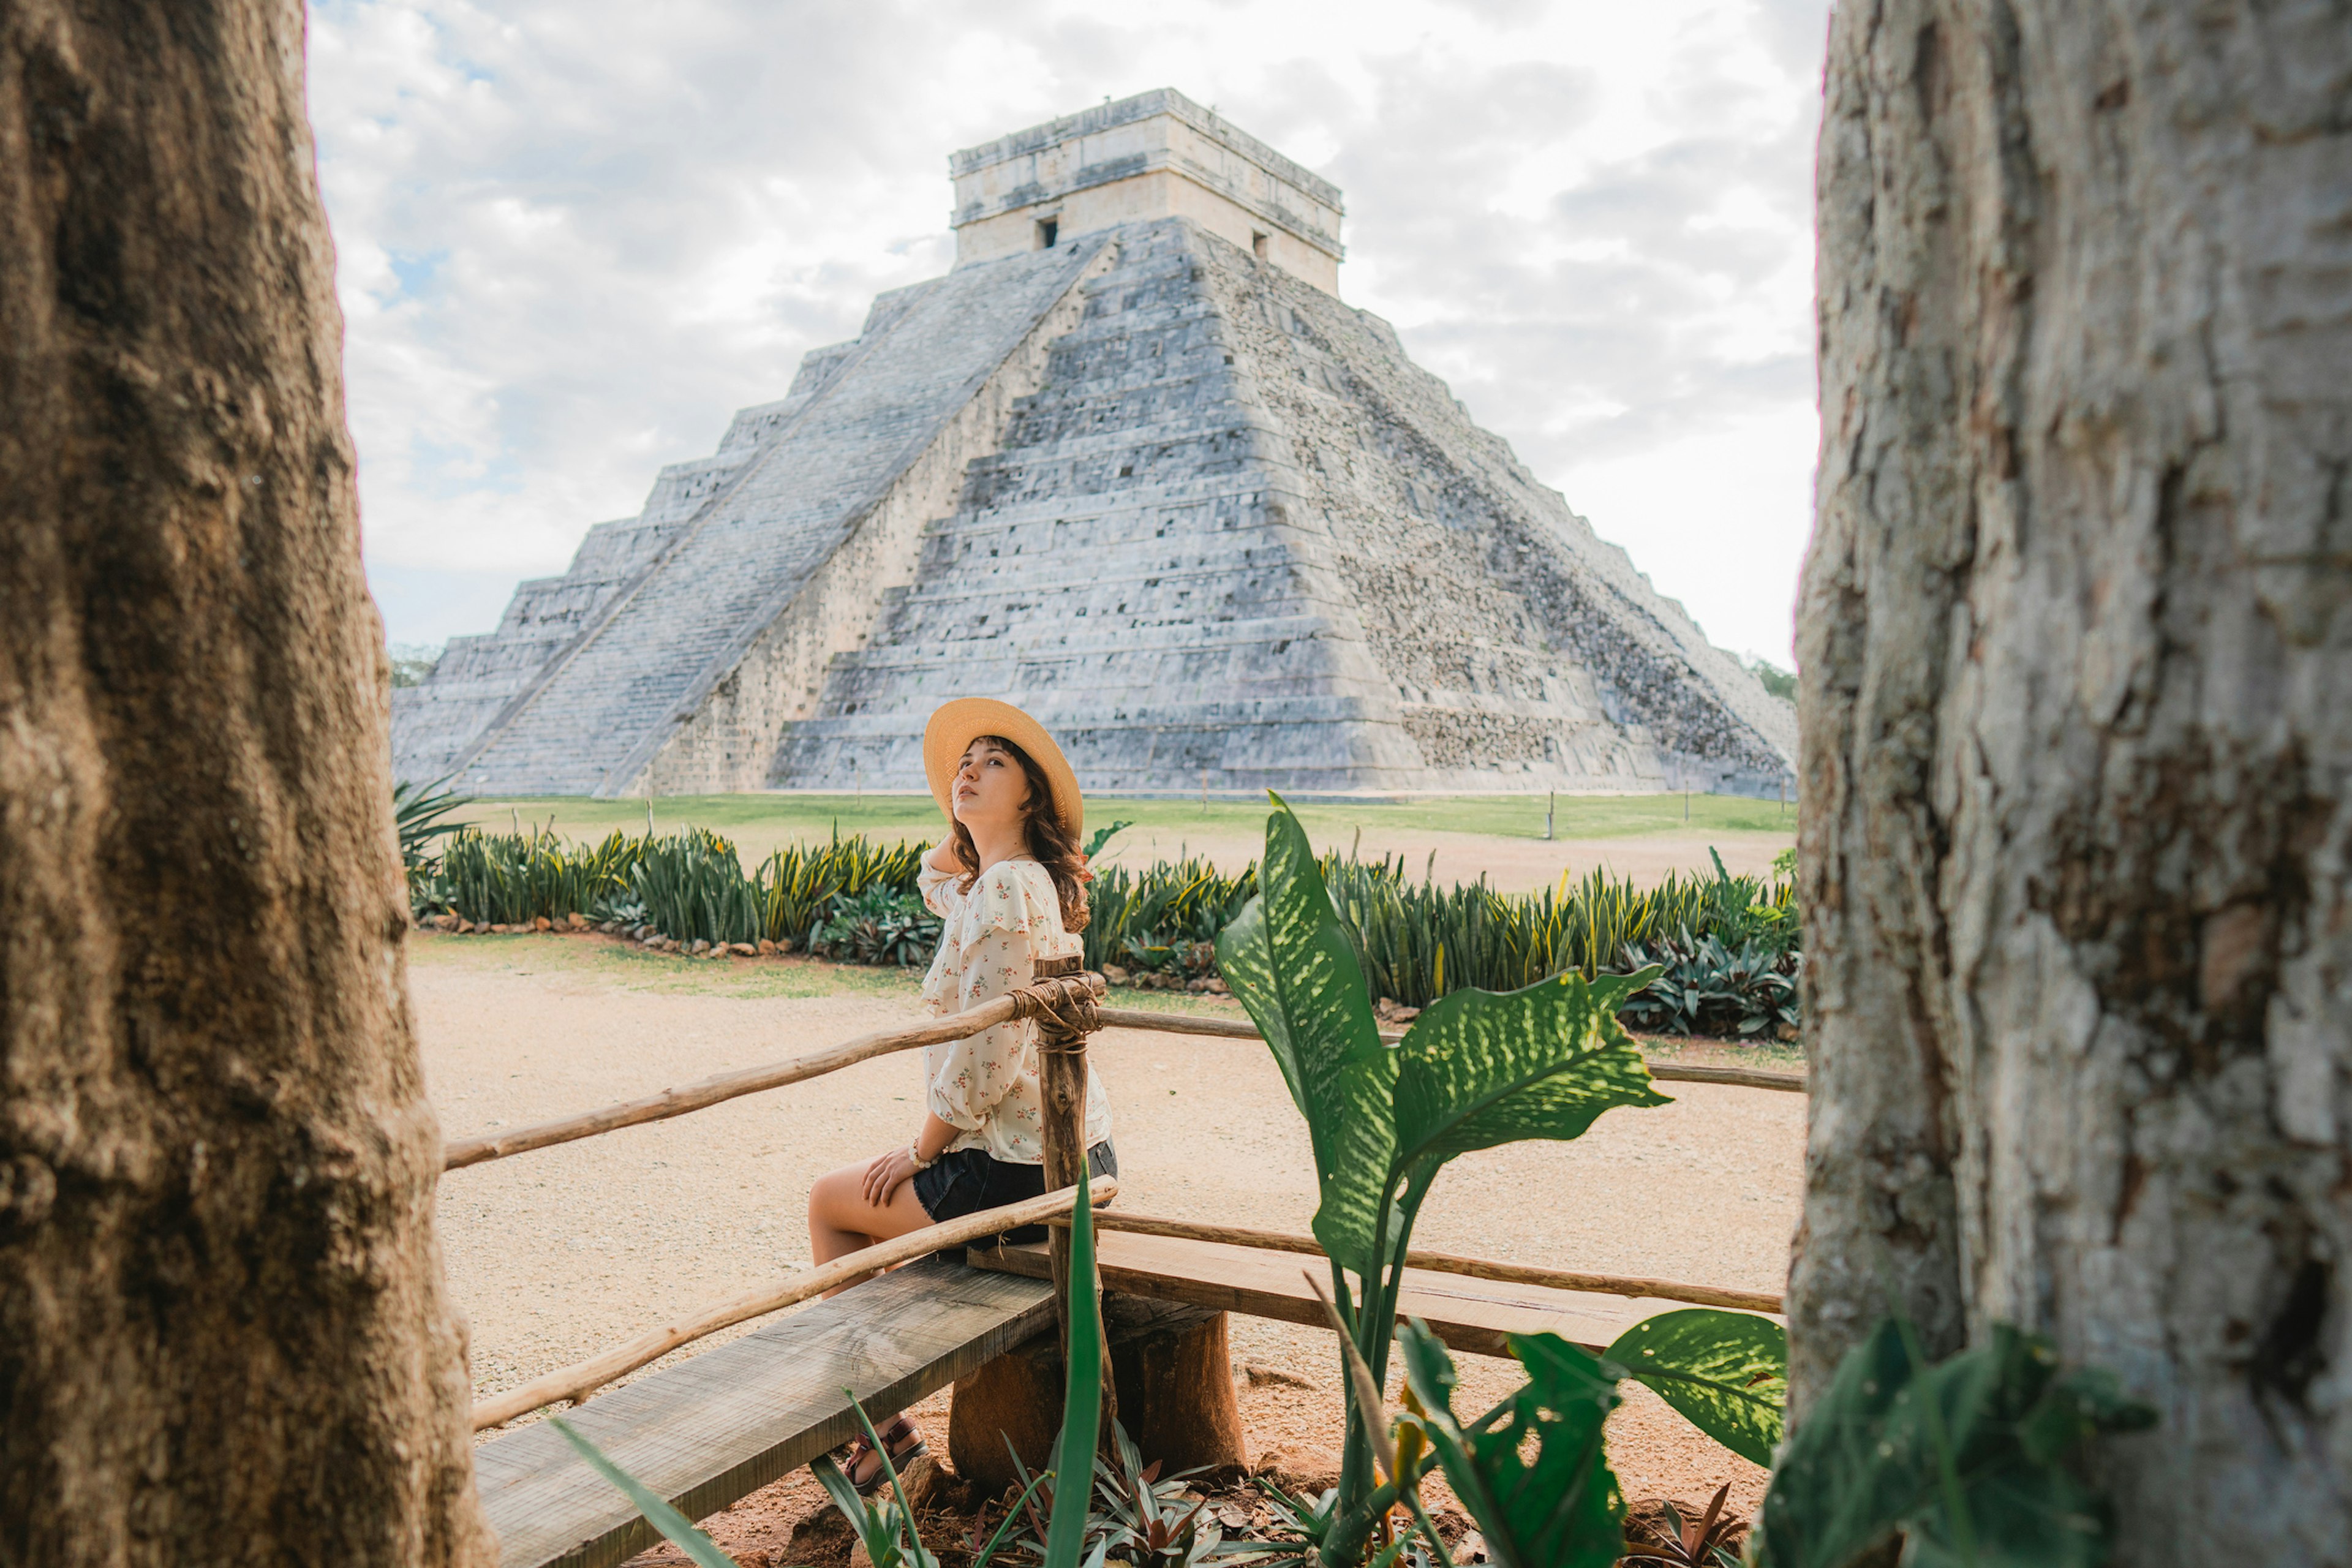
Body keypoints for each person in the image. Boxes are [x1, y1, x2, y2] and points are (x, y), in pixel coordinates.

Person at [804, 698, 1116, 1490]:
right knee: (852, 1201)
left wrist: (917, 1153)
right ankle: (883, 1423)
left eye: (994, 763)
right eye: (963, 763)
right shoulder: (1010, 884)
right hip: (1070, 1149)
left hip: (1015, 1166)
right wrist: (968, 836)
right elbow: (937, 883)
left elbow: (988, 1058)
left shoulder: (1007, 892)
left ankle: (886, 1435)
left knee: (831, 1206)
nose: (968, 770)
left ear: (1031, 798)